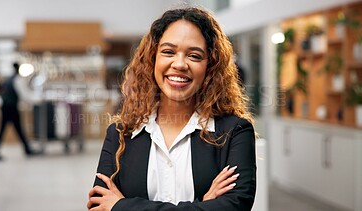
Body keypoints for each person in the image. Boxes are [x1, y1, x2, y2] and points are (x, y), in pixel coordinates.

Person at [87, 6, 256, 211]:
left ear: (210, 66)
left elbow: (235, 206)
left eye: (194, 55)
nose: (180, 64)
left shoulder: (235, 132)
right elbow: (99, 204)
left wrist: (122, 206)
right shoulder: (120, 134)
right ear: (153, 59)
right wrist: (203, 205)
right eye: (168, 52)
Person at [0, 62, 40, 161]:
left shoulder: (8, 79)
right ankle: (26, 149)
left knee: (5, 129)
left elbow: (0, 92)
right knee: (18, 128)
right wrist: (35, 101)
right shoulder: (17, 80)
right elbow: (24, 95)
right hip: (12, 107)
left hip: (5, 106)